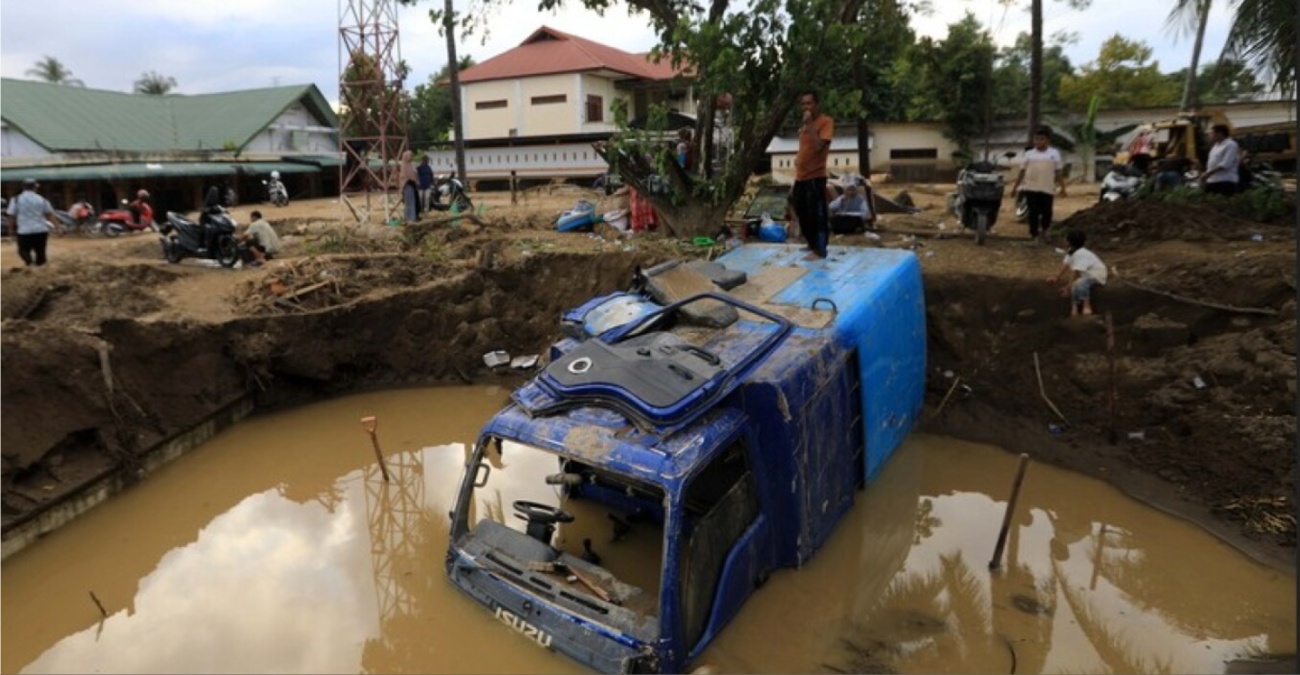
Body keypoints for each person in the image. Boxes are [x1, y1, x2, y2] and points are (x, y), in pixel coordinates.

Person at [791, 90, 834, 258]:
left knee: (816, 214)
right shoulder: (804, 125)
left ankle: (820, 249)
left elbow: (818, 147)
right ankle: (810, 243)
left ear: (817, 105)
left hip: (816, 176)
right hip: (801, 176)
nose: (805, 107)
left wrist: (809, 125)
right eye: (803, 104)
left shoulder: (826, 122)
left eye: (809, 103)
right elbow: (805, 148)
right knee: (801, 209)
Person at [1012, 127, 1066, 243]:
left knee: (1047, 211)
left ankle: (1046, 231)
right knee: (1033, 212)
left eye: (1042, 139)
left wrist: (1062, 187)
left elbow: (1058, 171)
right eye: (1036, 139)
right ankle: (1034, 235)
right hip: (1031, 187)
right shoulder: (1029, 154)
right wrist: (1015, 187)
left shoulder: (1054, 153)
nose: (1039, 142)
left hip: (1047, 188)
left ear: (1048, 140)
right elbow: (1022, 171)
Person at [1048, 229, 1108, 317]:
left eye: (1065, 239)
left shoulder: (1081, 253)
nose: (1064, 241)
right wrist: (1057, 276)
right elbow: (1066, 264)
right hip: (1085, 275)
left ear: (1070, 242)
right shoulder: (1071, 252)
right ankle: (1074, 307)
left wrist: (1068, 287)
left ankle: (1086, 305)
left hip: (1096, 275)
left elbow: (1075, 272)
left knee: (1078, 283)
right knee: (1076, 283)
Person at [6, 178, 59, 266]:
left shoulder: (16, 199)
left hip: (24, 231)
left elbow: (11, 216)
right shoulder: (42, 199)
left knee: (23, 251)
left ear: (23, 187)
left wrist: (10, 230)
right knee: (40, 253)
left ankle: (30, 263)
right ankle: (40, 270)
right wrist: (57, 226)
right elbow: (49, 214)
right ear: (35, 188)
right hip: (41, 230)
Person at [1199, 124, 1239, 196]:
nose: (1210, 135)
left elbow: (1226, 163)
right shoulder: (1215, 146)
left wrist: (1208, 173)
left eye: (1212, 133)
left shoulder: (1230, 144)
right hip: (1212, 180)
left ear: (1220, 133)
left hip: (1225, 180)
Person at [399, 150, 419, 222]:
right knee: (409, 203)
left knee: (413, 202)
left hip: (413, 185)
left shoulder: (411, 165)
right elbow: (403, 177)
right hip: (407, 185)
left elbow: (415, 175)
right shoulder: (404, 166)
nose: (411, 157)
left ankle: (413, 217)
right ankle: (409, 218)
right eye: (410, 155)